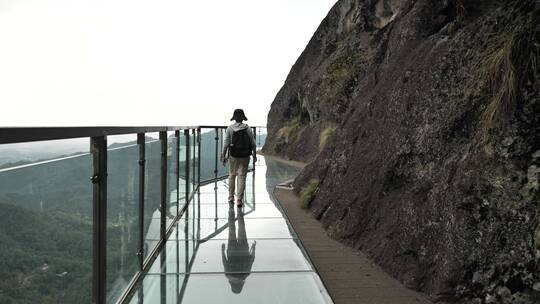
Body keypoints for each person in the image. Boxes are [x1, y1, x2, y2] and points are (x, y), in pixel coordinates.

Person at [221, 109, 257, 207]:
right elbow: (253, 143)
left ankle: (231, 197)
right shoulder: (248, 128)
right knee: (242, 176)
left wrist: (223, 155)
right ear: (243, 118)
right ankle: (239, 199)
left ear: (234, 118)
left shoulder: (230, 128)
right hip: (245, 156)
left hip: (234, 155)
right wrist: (254, 154)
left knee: (232, 175)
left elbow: (226, 144)